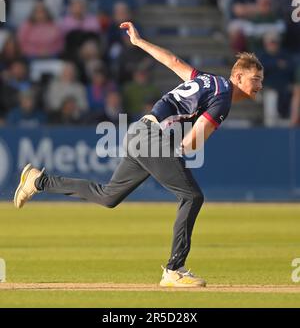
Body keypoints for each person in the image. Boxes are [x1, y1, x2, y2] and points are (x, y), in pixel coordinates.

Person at [13, 21, 264, 288]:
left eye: (260, 80)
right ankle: (173, 269)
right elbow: (194, 140)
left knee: (109, 196)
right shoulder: (223, 99)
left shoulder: (207, 79)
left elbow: (173, 60)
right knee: (192, 196)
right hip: (152, 138)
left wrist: (139, 42)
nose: (259, 85)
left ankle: (38, 181)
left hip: (139, 132)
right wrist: (180, 150)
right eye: (255, 79)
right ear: (238, 77)